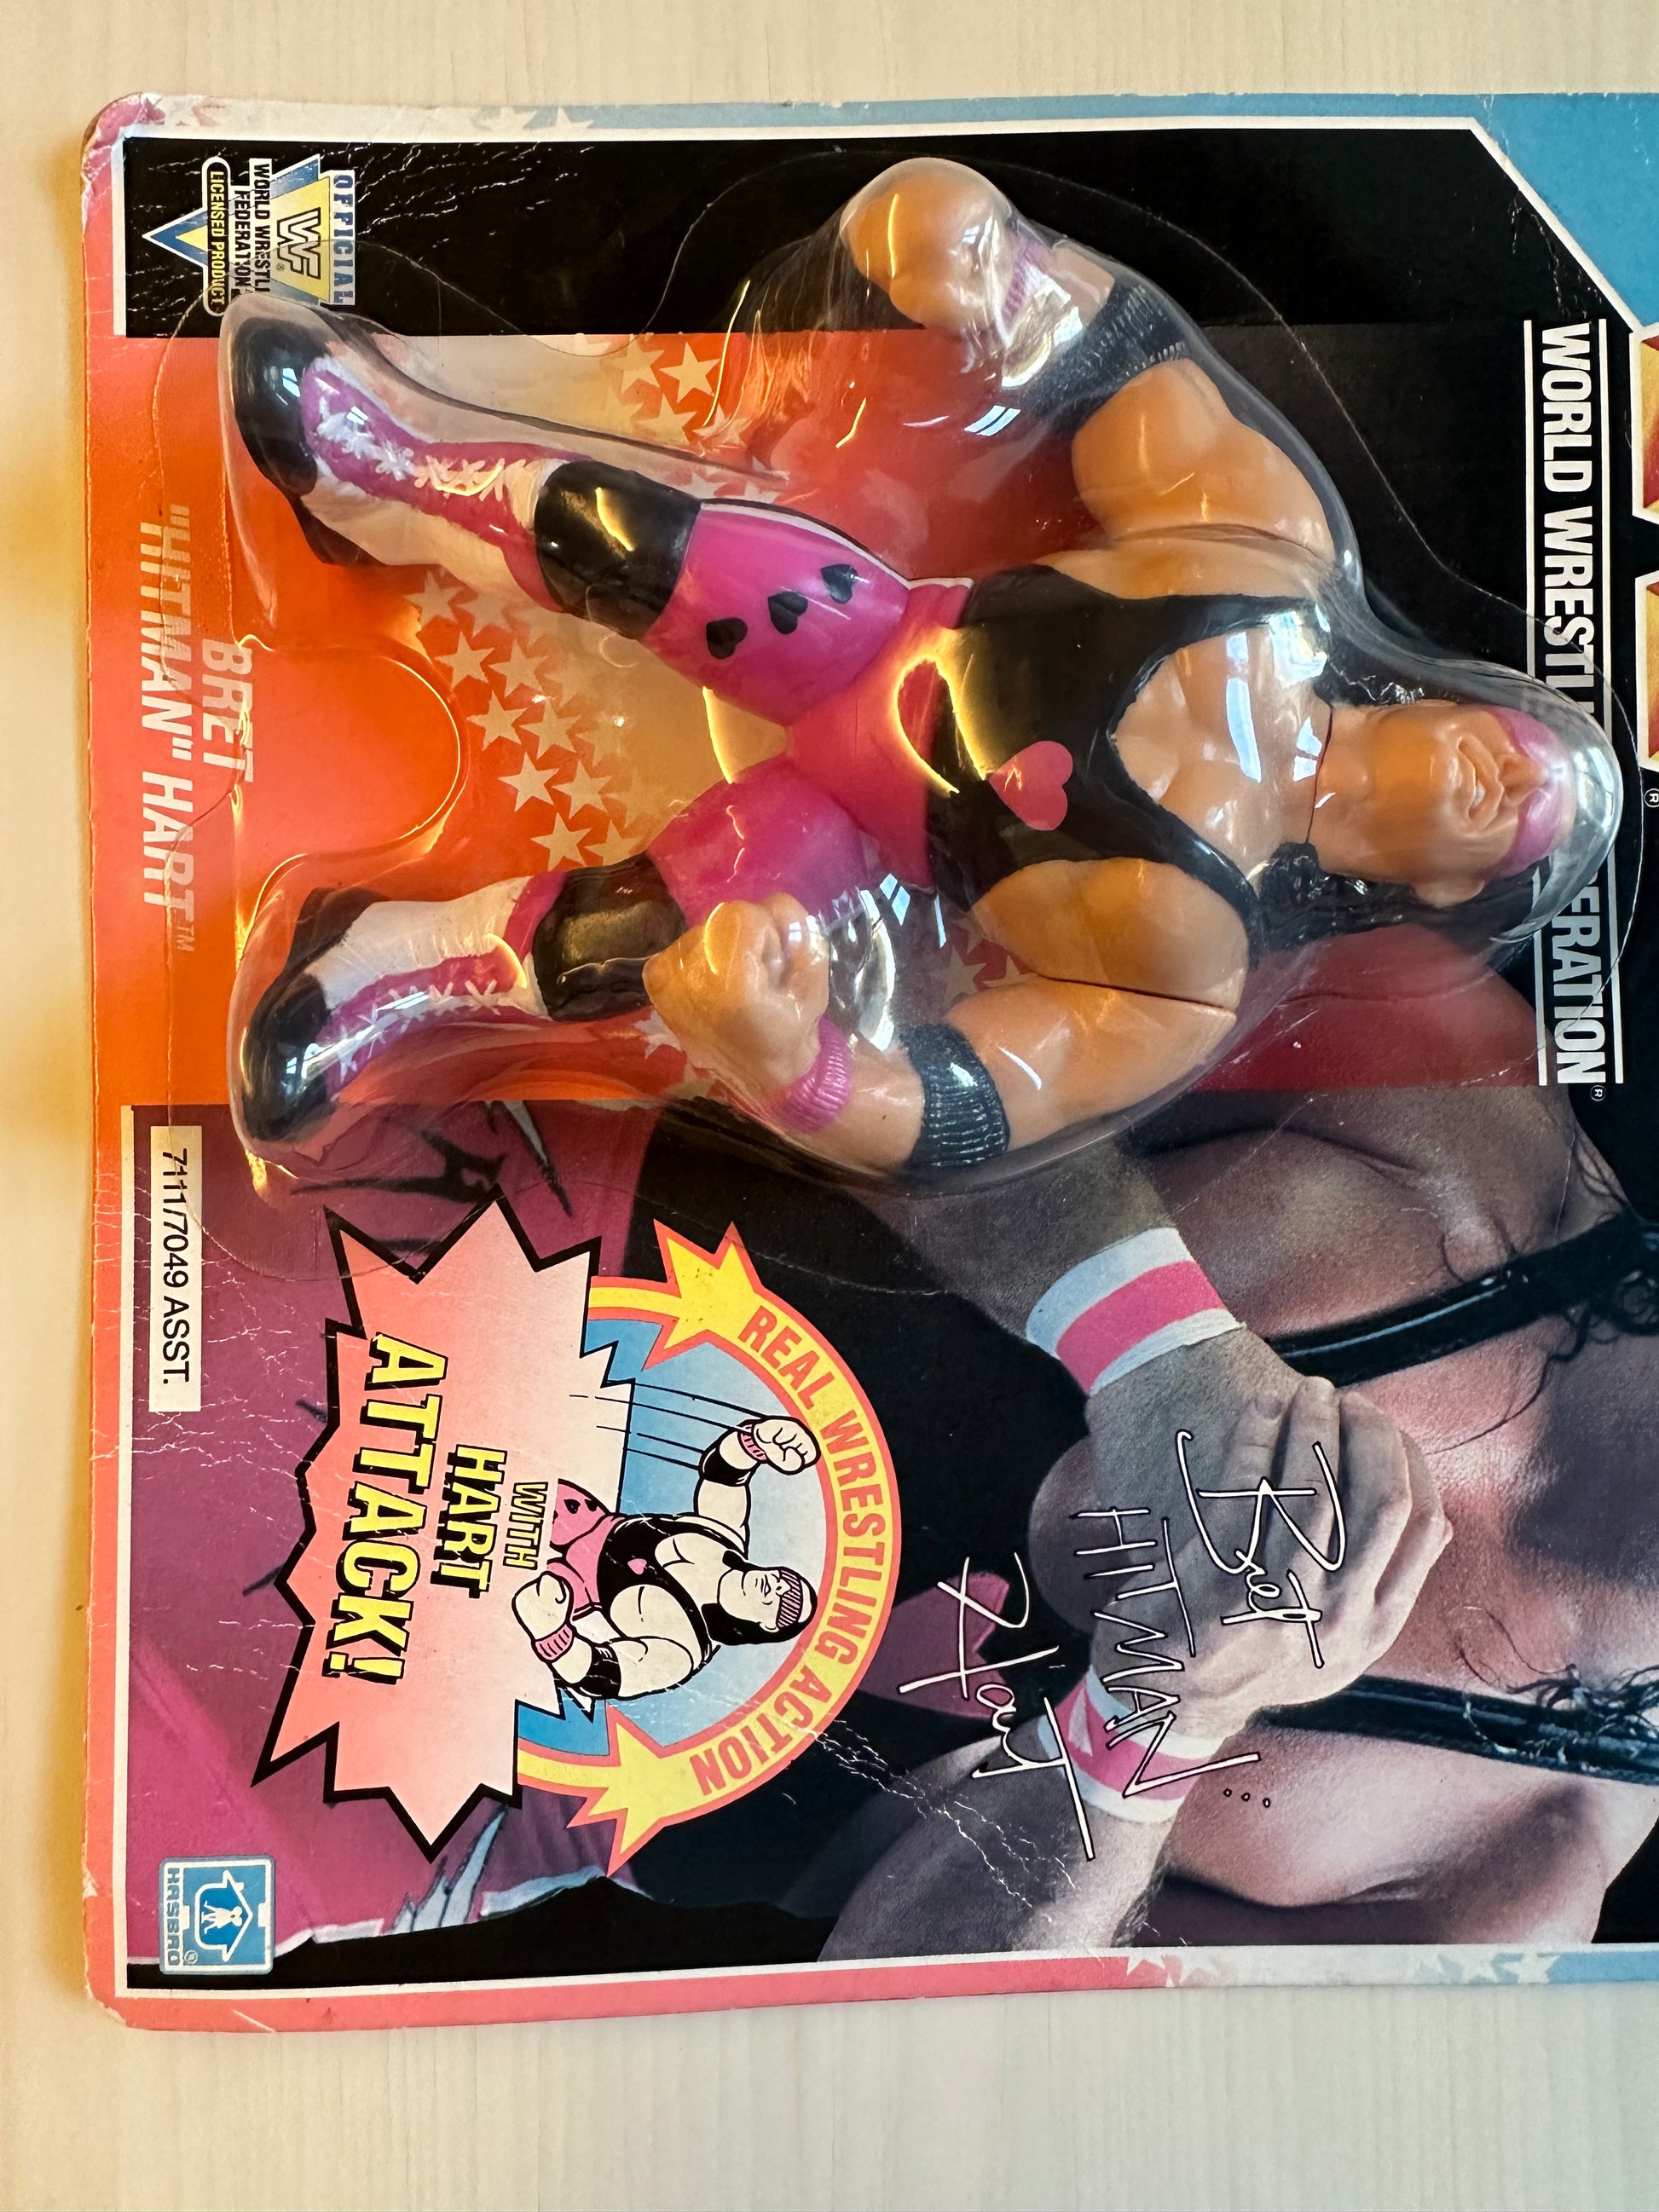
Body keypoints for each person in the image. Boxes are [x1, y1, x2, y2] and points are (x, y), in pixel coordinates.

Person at [224, 157, 1611, 1180]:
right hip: (863, 629)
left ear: (1442, 891)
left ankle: (386, 974)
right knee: (630, 537)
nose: (1508, 775)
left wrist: (794, 1065)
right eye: (1518, 752)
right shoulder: (1270, 565)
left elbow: (983, 1099)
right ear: (1449, 694)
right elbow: (1128, 374)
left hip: (845, 838)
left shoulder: (1192, 975)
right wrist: (981, 256)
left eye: (1515, 821)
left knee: (643, 945)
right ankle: (374, 467)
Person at [798, 960, 1659, 1955]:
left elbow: (886, 2023)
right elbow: (827, 976)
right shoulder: (1454, 1107)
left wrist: (1157, 1723)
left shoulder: (1509, 1884)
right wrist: (1147, 1343)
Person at [512, 1415, 820, 1702]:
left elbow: (605, 1675)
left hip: (569, 1588)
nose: (780, 1587)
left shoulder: (684, 1651)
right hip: (584, 1517)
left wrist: (552, 1635)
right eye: (786, 1579)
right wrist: (758, 1440)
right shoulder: (725, 1537)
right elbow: (722, 1475)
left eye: (788, 1603)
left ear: (768, 1627)